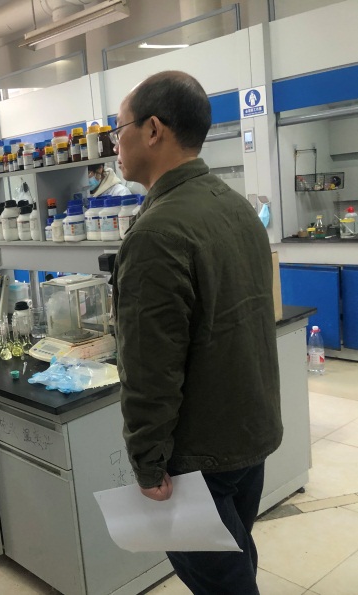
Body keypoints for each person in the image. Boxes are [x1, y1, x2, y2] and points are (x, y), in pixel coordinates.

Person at [111, 70, 282, 595]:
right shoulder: (237, 208)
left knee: (223, 583)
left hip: (196, 456)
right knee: (236, 557)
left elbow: (150, 369)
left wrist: (148, 463)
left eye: (119, 129)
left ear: (153, 130)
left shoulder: (158, 232)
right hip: (248, 436)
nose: (114, 144)